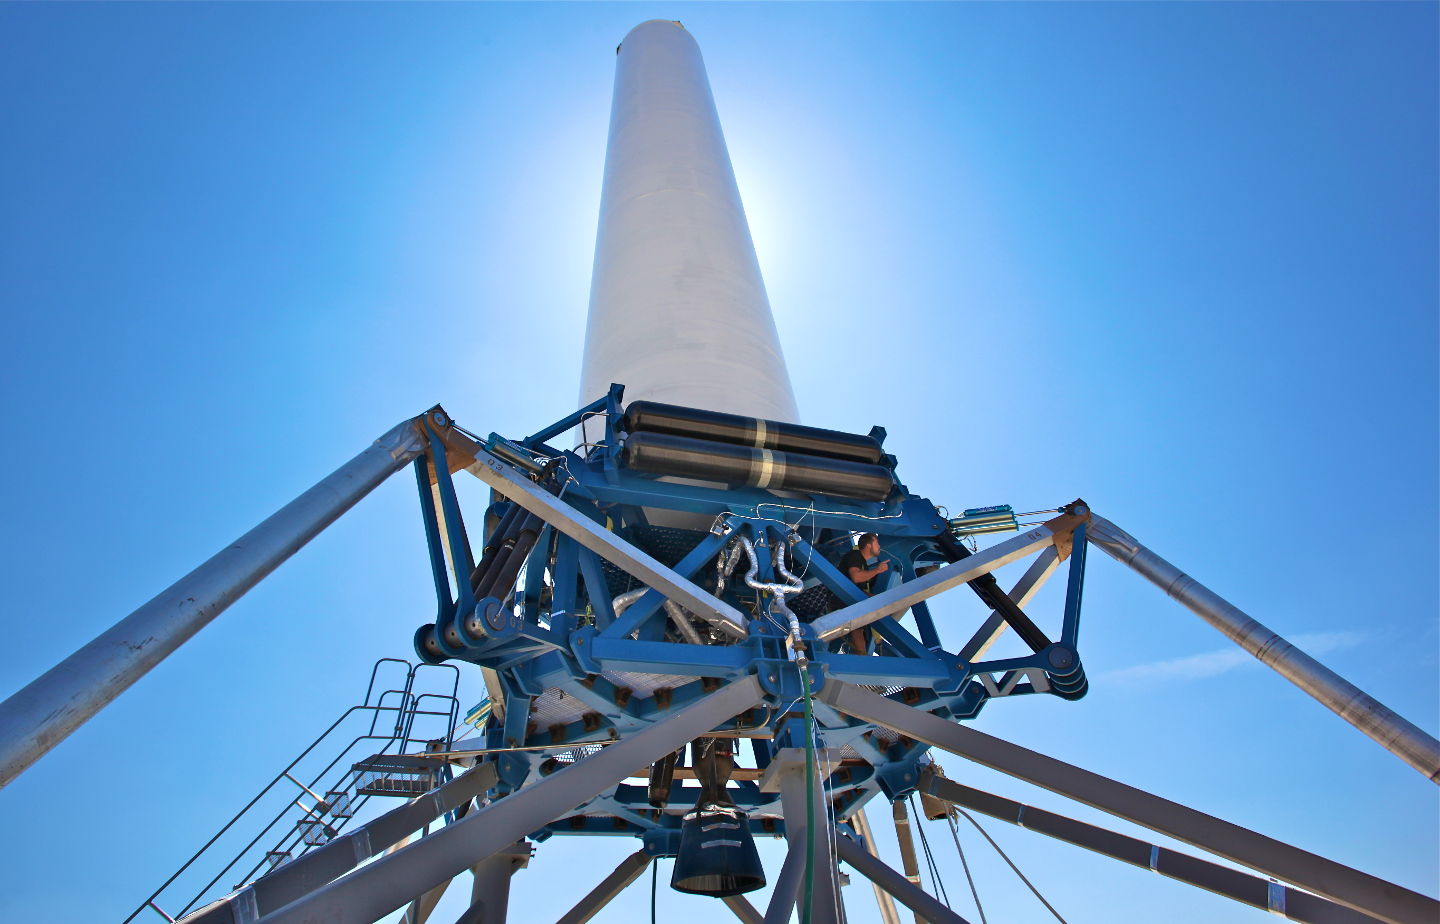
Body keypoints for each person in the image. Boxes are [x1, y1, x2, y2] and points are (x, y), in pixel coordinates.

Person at [838, 533, 889, 653]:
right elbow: (856, 577)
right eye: (877, 543)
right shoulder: (855, 555)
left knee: (858, 629)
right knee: (883, 601)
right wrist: (877, 570)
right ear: (868, 545)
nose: (879, 546)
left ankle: (863, 657)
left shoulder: (863, 563)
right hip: (843, 596)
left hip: (850, 600)